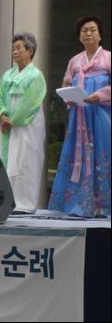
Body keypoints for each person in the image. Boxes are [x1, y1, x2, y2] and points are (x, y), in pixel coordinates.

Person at [48, 15, 111, 217]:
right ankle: (74, 203)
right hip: (80, 117)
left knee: (103, 152)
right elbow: (66, 82)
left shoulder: (109, 58)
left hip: (101, 115)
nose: (89, 33)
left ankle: (103, 205)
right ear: (79, 37)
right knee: (77, 156)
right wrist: (69, 96)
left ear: (100, 35)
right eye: (84, 30)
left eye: (93, 29)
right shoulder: (75, 60)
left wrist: (99, 95)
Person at [0, 32, 47, 213]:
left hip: (28, 125)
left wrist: (12, 120)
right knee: (8, 159)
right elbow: (0, 99)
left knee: (27, 160)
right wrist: (2, 116)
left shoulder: (36, 76)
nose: (15, 52)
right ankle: (8, 201)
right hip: (9, 126)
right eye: (13, 48)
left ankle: (25, 204)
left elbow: (30, 103)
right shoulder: (7, 75)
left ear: (30, 50)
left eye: (19, 48)